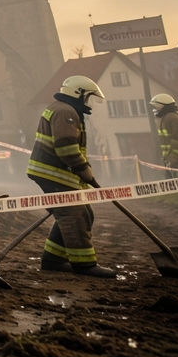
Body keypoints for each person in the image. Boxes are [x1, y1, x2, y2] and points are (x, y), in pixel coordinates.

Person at [26, 75, 117, 278]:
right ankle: (84, 265)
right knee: (75, 215)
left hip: (55, 173)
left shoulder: (63, 109)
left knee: (80, 213)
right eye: (88, 98)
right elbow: (66, 148)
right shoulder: (66, 112)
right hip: (54, 174)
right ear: (79, 94)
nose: (89, 103)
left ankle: (53, 260)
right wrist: (85, 171)